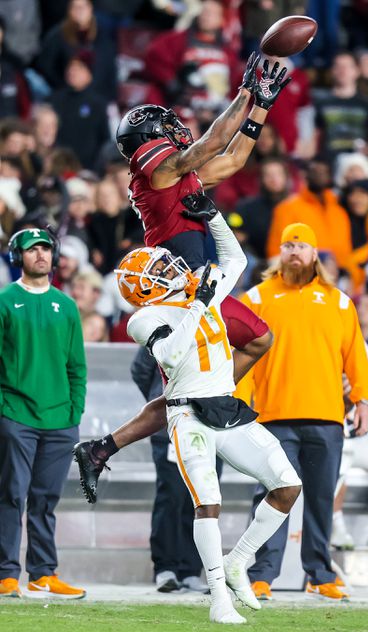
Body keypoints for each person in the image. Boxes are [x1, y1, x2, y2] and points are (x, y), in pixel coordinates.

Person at [73, 54, 290, 499]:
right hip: (177, 291)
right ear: (149, 138)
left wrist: (262, 106)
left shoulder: (175, 176)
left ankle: (103, 447)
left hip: (197, 285)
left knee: (228, 364)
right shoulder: (151, 169)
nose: (177, 130)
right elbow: (209, 145)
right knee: (239, 354)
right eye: (167, 126)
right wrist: (247, 94)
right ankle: (113, 443)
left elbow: (230, 161)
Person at [101, 200, 301, 623]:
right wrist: (198, 305)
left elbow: (236, 258)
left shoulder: (195, 287)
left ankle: (237, 561)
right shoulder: (146, 317)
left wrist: (212, 217)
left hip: (224, 404)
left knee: (287, 486)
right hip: (186, 413)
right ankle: (217, 598)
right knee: (208, 501)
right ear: (146, 288)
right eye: (158, 270)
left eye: (164, 263)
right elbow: (171, 356)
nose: (169, 267)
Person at [235, 222, 368, 601]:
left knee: (320, 499)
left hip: (325, 416)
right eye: (287, 245)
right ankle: (262, 574)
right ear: (279, 253)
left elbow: (358, 359)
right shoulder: (257, 297)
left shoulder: (340, 302)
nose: (294, 251)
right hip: (271, 416)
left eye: (301, 245)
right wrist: (241, 402)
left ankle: (319, 573)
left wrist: (362, 400)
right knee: (270, 496)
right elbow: (239, 357)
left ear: (315, 254)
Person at [0, 227, 86, 598]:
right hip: (15, 414)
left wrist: (75, 412)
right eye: (32, 249)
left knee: (45, 500)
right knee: (10, 496)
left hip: (60, 421)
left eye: (46, 249)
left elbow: (76, 367)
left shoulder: (66, 306)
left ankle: (42, 573)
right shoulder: (4, 301)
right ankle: (6, 574)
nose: (41, 255)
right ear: (18, 256)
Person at [131, 346, 208, 594]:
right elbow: (140, 369)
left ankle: (190, 570)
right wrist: (160, 405)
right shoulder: (163, 325)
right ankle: (166, 568)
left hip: (208, 425)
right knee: (171, 495)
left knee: (201, 498)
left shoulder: (216, 324)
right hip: (172, 424)